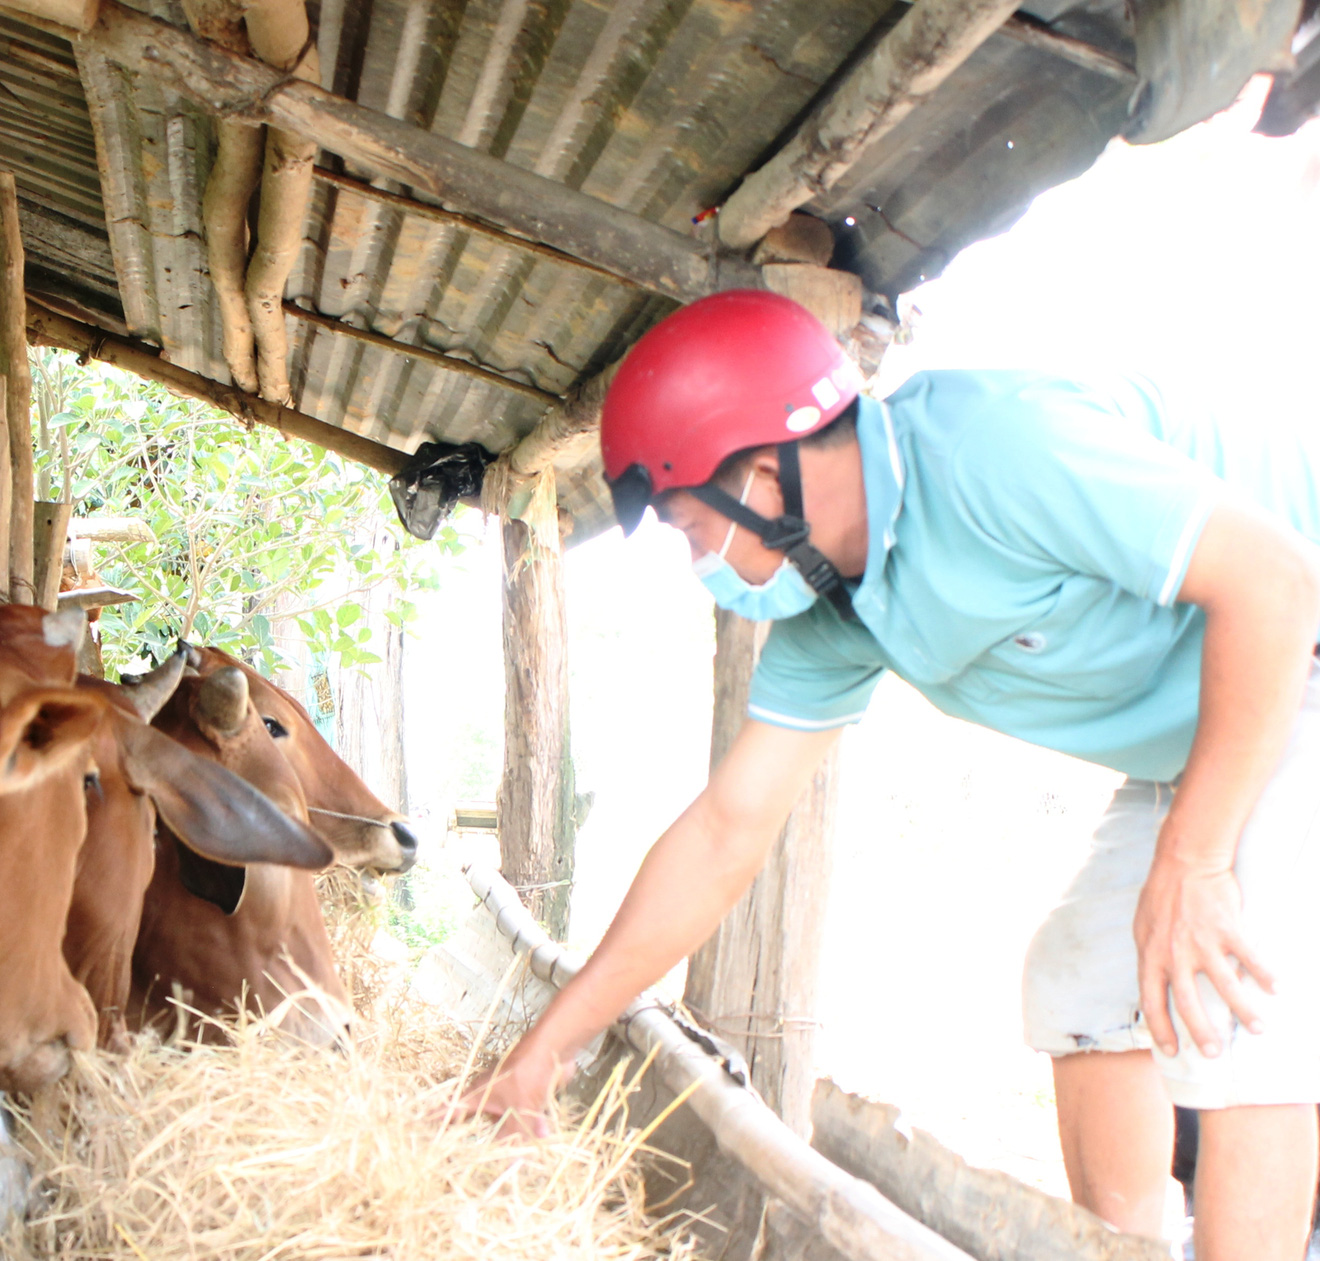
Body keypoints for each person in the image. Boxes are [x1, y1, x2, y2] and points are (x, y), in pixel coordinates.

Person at [460, 290, 1320, 1260]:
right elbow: (723, 834)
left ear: (758, 467)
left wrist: (1196, 861)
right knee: (1079, 981)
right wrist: (542, 1055)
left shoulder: (992, 450)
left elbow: (1276, 584)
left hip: (1293, 657)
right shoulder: (835, 613)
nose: (689, 550)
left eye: (683, 520)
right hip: (1209, 727)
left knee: (1225, 1000)